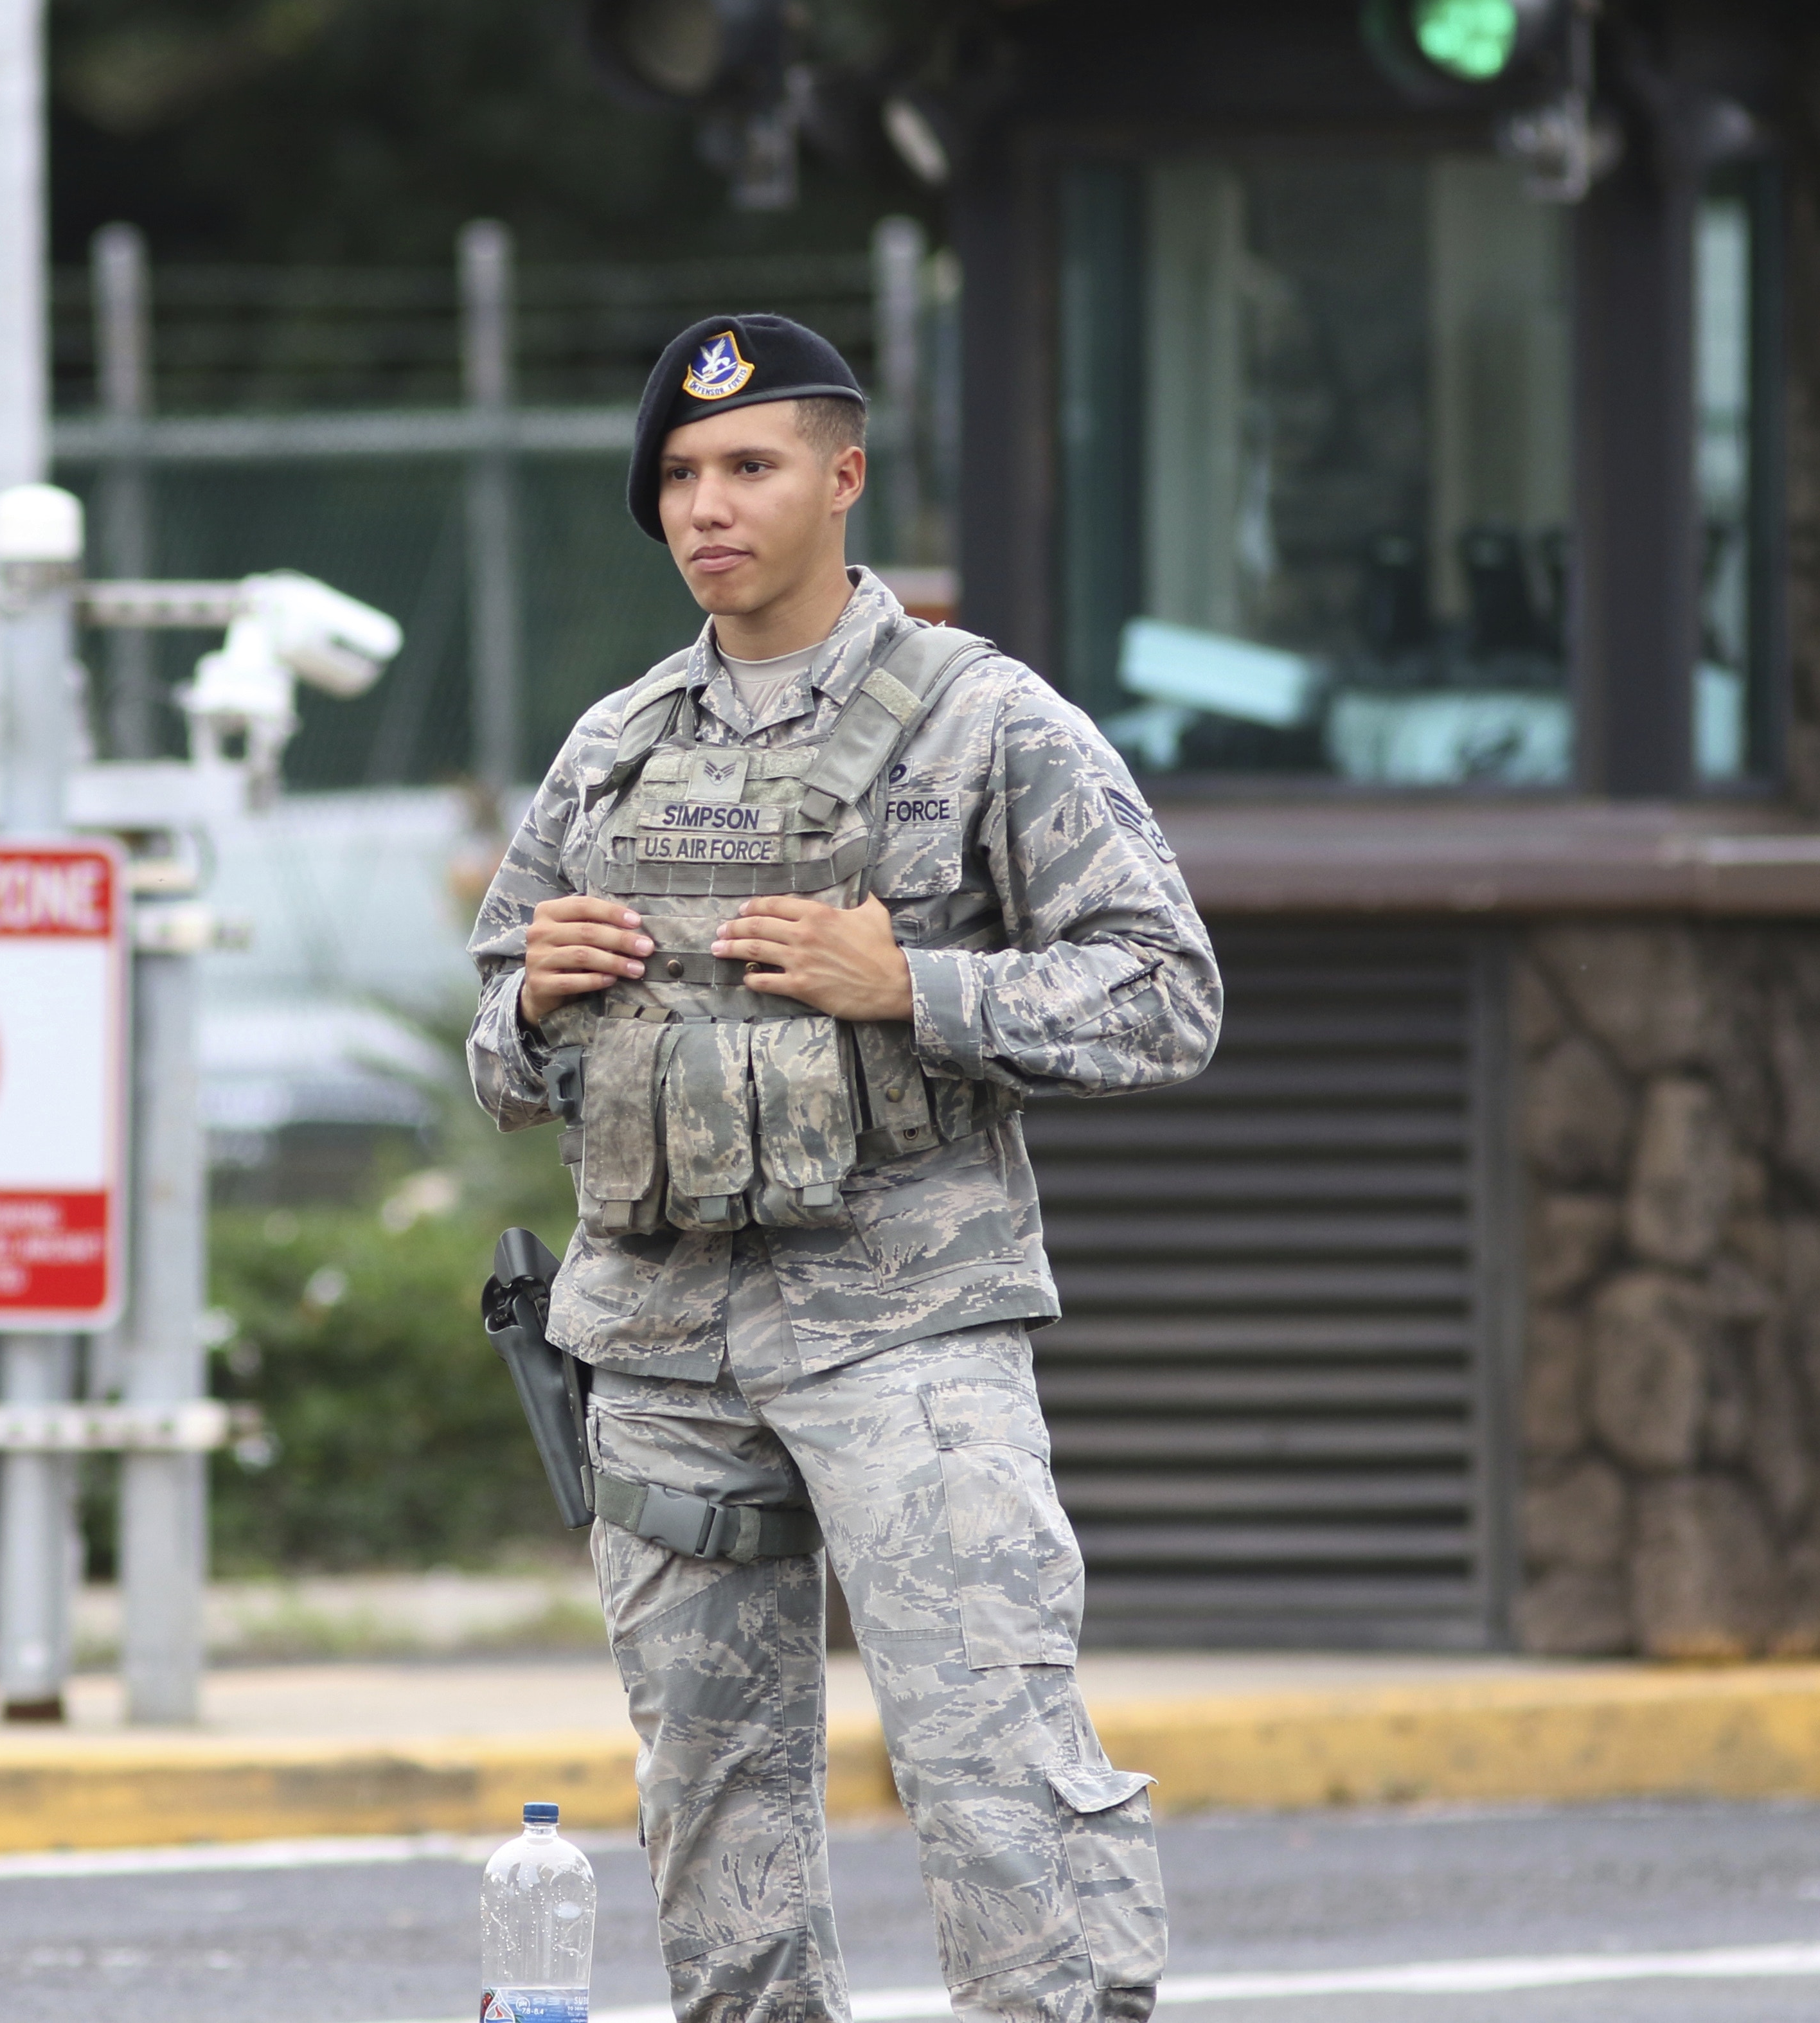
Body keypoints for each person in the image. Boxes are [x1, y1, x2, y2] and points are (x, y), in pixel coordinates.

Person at [464, 314, 1222, 2023]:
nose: (706, 504)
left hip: (907, 1330)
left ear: (842, 478)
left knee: (994, 1765)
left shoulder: (983, 719)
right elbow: (496, 1054)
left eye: (749, 465)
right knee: (711, 1809)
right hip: (658, 1348)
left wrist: (917, 987)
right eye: (676, 473)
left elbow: (1167, 994)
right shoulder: (615, 744)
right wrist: (536, 997)